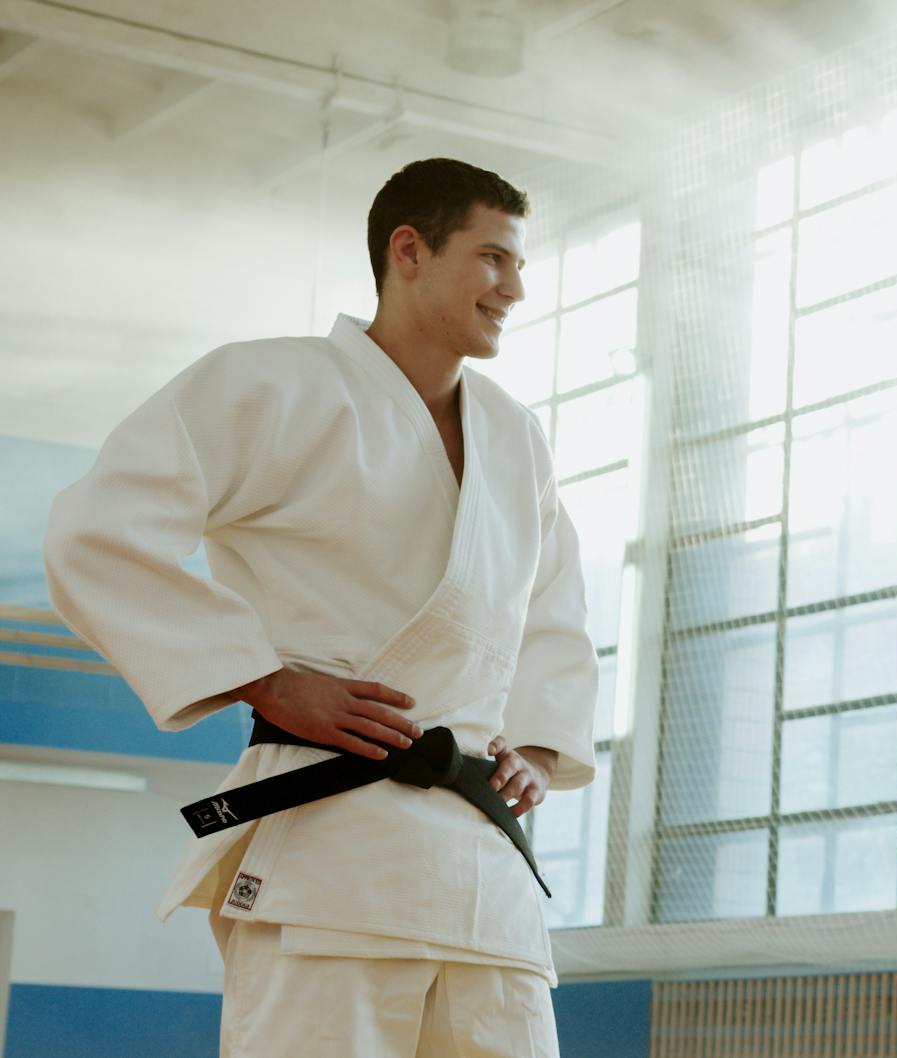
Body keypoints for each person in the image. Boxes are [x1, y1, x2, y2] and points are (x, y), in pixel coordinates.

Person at [43, 157, 598, 1057]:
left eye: (522, 265)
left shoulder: (516, 438)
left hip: (486, 886)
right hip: (331, 857)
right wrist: (259, 678)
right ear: (409, 251)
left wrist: (538, 740)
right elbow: (93, 534)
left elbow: (555, 604)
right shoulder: (268, 385)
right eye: (495, 258)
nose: (517, 289)